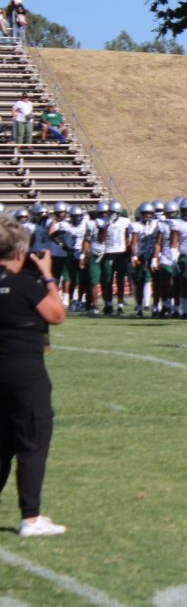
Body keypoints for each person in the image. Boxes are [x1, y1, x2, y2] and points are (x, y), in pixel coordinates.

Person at [0, 214, 68, 536]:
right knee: (32, 441)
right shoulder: (25, 284)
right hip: (24, 373)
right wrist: (48, 276)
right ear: (19, 253)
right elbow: (56, 315)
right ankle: (31, 518)